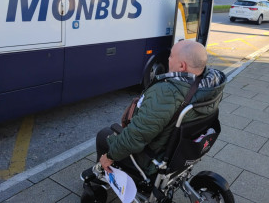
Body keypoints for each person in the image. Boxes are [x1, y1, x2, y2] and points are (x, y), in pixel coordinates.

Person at [83, 40, 226, 179]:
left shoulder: (166, 93)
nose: (168, 59)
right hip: (182, 153)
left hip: (153, 159)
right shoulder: (213, 85)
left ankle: (101, 174)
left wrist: (109, 156)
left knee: (104, 135)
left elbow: (136, 136)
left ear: (182, 66)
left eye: (171, 56)